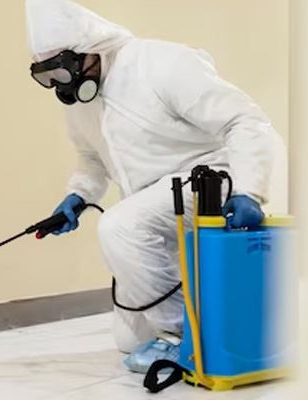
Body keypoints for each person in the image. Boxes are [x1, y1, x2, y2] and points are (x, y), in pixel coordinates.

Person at [26, 0, 283, 373]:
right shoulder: (82, 100)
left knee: (119, 226)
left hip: (206, 182)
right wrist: (79, 195)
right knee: (128, 340)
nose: (60, 85)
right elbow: (92, 157)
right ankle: (193, 316)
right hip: (149, 205)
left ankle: (186, 339)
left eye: (62, 71)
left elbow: (245, 120)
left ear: (90, 49)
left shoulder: (160, 63)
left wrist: (249, 190)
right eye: (48, 77)